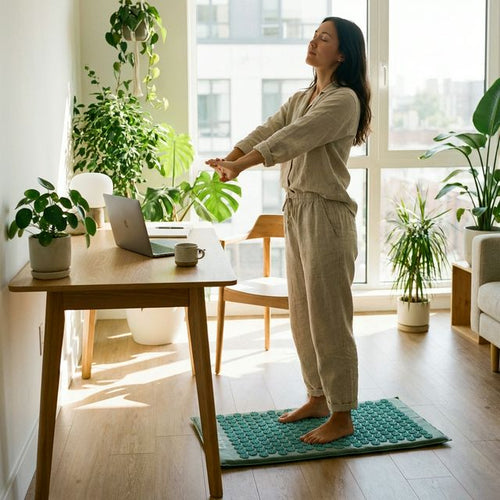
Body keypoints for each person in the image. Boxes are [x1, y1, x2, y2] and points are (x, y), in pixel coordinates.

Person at [206, 17, 371, 444]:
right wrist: (231, 157)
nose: (313, 41)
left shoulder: (344, 100)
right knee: (301, 312)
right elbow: (271, 128)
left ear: (342, 54)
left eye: (324, 38)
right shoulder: (303, 96)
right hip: (297, 211)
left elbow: (294, 138)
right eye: (314, 34)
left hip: (328, 217)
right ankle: (317, 396)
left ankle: (342, 413)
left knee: (330, 318)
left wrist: (242, 166)